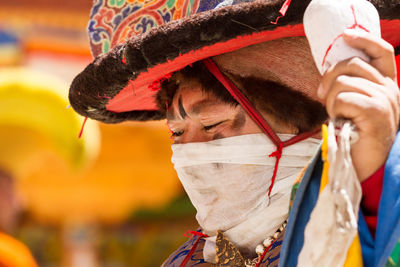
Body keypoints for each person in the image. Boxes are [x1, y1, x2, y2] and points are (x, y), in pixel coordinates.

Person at [69, 0, 400, 266]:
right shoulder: (184, 262)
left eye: (212, 124)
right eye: (176, 132)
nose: (189, 152)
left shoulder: (367, 229)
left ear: (311, 124)